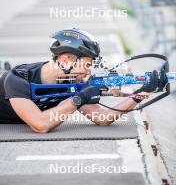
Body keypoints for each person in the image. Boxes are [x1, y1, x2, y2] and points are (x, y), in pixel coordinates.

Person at [0, 29, 166, 133]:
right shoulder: (18, 79)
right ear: (65, 59)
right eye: (86, 65)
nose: (88, 72)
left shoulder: (72, 81)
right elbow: (40, 125)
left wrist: (142, 93)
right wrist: (78, 99)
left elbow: (102, 117)